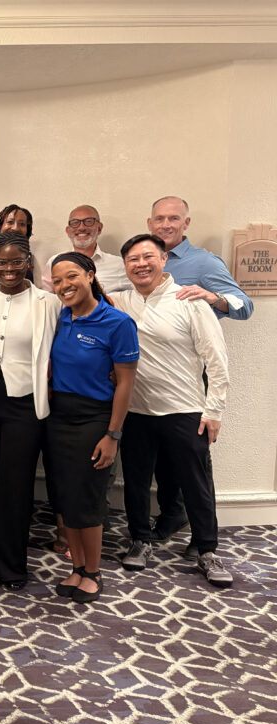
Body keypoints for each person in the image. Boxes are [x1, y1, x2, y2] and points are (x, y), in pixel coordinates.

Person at [112, 234, 233, 588]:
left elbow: (217, 359)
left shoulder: (189, 301)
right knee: (135, 480)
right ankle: (140, 539)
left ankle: (207, 549)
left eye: (148, 257)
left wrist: (214, 410)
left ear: (164, 259)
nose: (141, 264)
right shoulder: (120, 301)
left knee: (196, 483)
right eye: (133, 259)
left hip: (185, 409)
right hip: (136, 410)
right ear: (126, 266)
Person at [145, 197, 253, 545]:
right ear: (150, 223)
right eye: (160, 218)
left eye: (173, 218)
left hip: (191, 375)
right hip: (152, 377)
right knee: (163, 457)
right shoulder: (144, 259)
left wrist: (213, 297)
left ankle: (203, 538)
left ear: (186, 223)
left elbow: (244, 305)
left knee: (193, 458)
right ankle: (171, 514)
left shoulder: (204, 262)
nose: (166, 224)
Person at [0, 231, 60, 590]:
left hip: (24, 402)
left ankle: (11, 565)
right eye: (1, 262)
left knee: (15, 485)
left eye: (16, 261)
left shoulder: (47, 302)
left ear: (28, 262)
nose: (9, 268)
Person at [46, 252, 138, 603]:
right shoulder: (61, 317)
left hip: (95, 417)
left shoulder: (117, 322)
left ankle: (93, 572)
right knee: (66, 497)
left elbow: (126, 384)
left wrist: (113, 435)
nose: (64, 285)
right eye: (57, 281)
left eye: (71, 276)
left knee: (88, 498)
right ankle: (77, 567)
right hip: (59, 416)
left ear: (89, 274)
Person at [37, 206, 130, 294]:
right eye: (75, 223)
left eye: (89, 221)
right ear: (68, 231)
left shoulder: (119, 265)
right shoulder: (55, 262)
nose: (81, 228)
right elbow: (46, 298)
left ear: (99, 228)